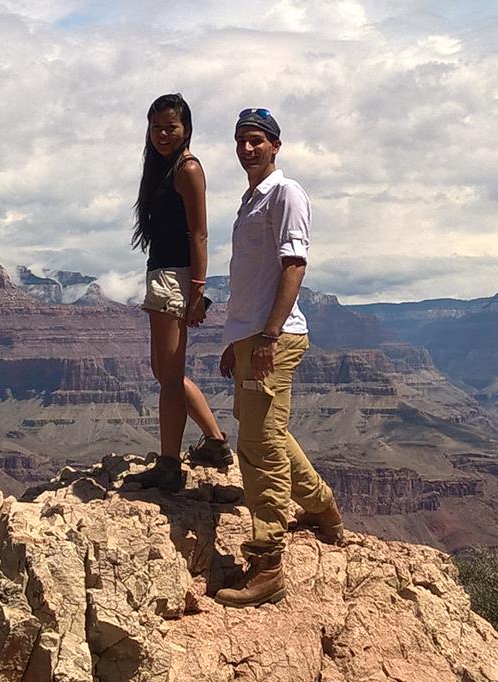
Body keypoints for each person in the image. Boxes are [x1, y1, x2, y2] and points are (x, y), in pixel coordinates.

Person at [215, 107, 342, 607]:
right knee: (268, 432)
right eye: (241, 141)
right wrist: (236, 340)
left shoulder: (286, 194)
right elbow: (251, 279)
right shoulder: (251, 199)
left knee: (259, 445)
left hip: (274, 338)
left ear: (275, 145)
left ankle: (268, 564)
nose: (247, 149)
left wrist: (267, 337)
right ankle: (322, 509)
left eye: (256, 140)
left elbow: (294, 265)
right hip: (251, 338)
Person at [127, 93, 231, 493]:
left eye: (171, 127)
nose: (163, 134)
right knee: (164, 372)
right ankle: (216, 442)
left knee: (169, 379)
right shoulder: (163, 167)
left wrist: (197, 291)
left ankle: (169, 465)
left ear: (186, 127)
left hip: (176, 277)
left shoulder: (187, 169)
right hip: (162, 273)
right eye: (156, 128)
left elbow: (199, 233)